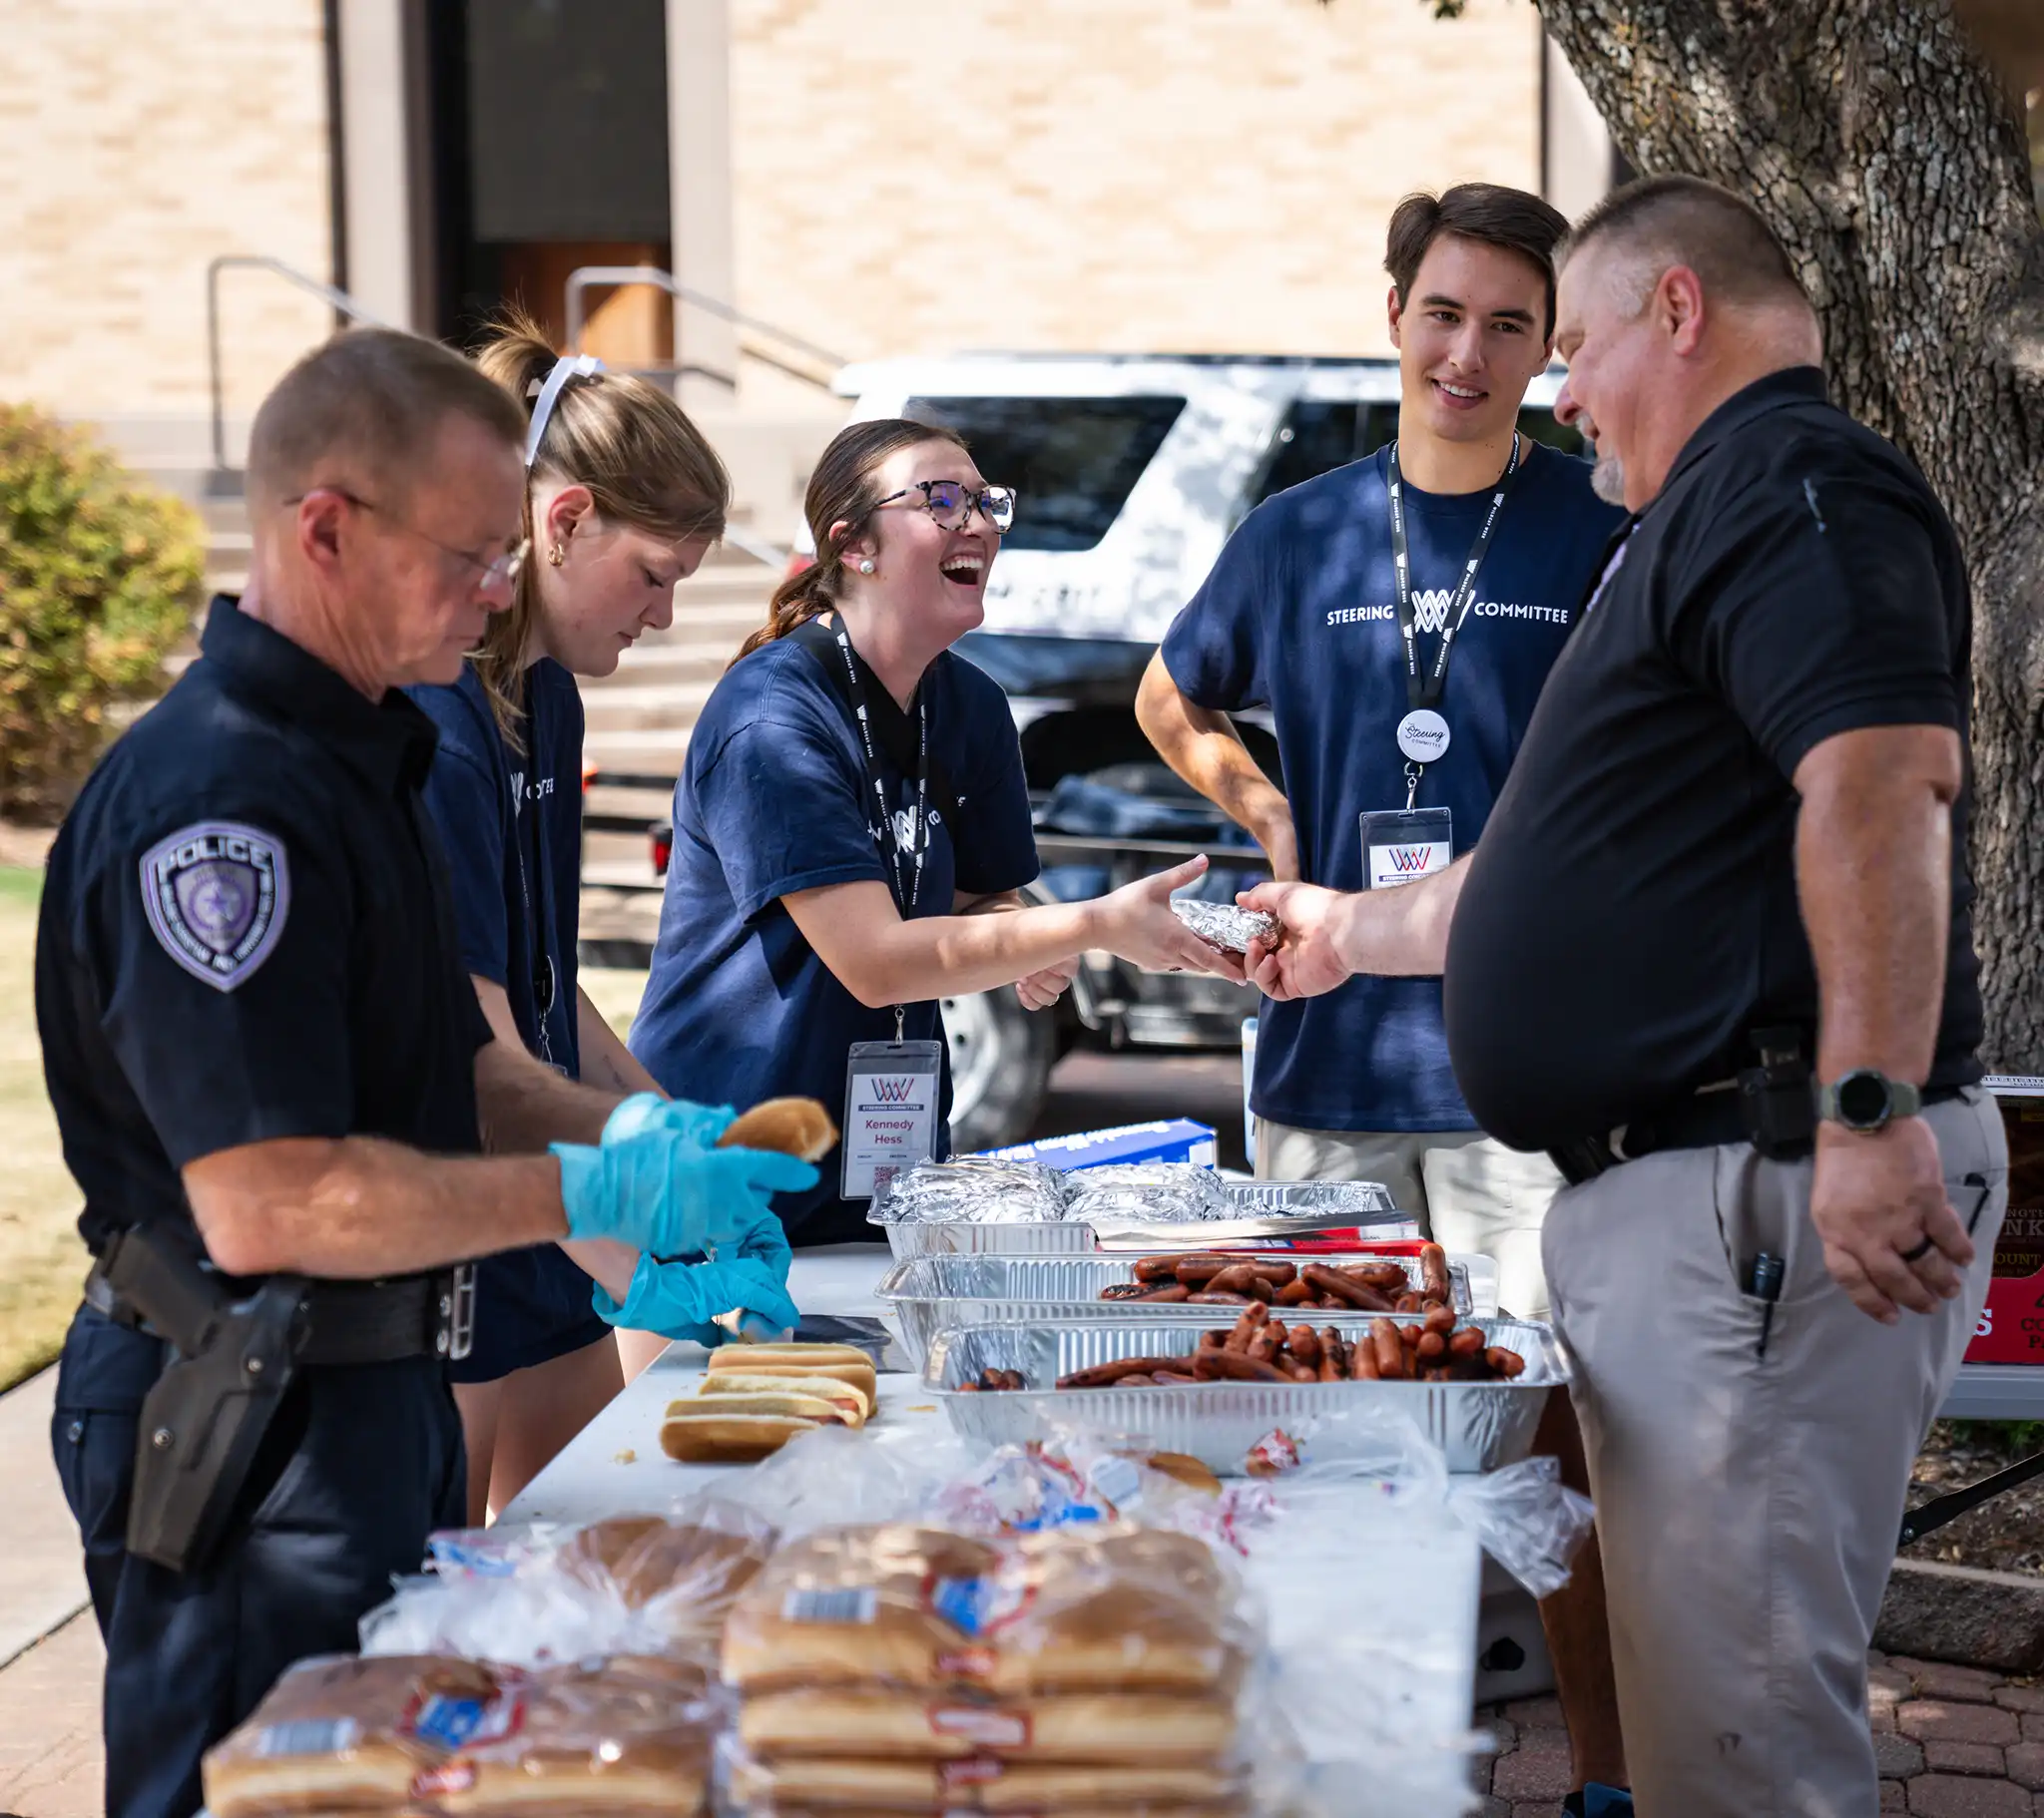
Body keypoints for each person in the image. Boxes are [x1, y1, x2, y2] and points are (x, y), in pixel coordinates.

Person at [1245, 175, 2007, 1817]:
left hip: (1757, 1186)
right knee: (1691, 1733)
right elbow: (1532, 888)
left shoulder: (1793, 480)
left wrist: (1866, 1112)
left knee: (1732, 1742)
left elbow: (1880, 778)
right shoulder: (1700, 514)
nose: (1559, 389)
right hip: (1702, 1204)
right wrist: (1335, 931)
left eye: (1571, 343)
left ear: (1676, 312)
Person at [39, 327, 814, 1818]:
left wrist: (663, 1140)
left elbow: (462, 1058)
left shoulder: (364, 753)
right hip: (244, 1415)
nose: (497, 586)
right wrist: (587, 1189)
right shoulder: (226, 808)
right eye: (470, 554)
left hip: (363, 1391)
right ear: (325, 529)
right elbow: (273, 1200)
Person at [1137, 184, 1624, 1320]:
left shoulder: (1601, 526)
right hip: (1325, 1066)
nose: (1467, 353)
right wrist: (1270, 818)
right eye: (1443, 313)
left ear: (1549, 344)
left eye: (1508, 325)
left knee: (1527, 1415)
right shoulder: (1296, 533)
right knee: (1321, 1409)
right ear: (1395, 313)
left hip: (1524, 1083)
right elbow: (1169, 698)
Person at [629, 418, 1246, 1244]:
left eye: (987, 502)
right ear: (854, 546)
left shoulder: (974, 706)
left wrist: (1026, 936)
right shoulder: (772, 715)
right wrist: (1093, 924)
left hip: (888, 1180)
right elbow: (877, 964)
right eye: (943, 500)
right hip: (725, 1180)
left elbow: (978, 896)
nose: (980, 523)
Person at [408, 317, 745, 1522]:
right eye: (653, 576)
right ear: (564, 521)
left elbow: (550, 987)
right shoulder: (438, 719)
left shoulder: (545, 699)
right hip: (455, 1224)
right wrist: (649, 1247)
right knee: (442, 1619)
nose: (659, 618)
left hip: (547, 1211)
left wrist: (684, 1140)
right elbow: (487, 1062)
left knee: (594, 1560)